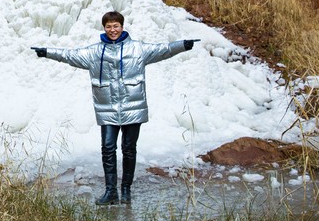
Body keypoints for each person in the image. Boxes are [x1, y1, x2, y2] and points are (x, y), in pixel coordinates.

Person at [32, 11, 198, 205]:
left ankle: (126, 190)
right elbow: (70, 55)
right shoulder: (94, 52)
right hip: (107, 109)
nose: (112, 30)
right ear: (104, 28)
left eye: (116, 26)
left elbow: (164, 49)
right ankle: (111, 191)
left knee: (129, 149)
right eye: (109, 26)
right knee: (108, 148)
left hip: (133, 108)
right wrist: (46, 52)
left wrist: (183, 45)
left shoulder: (138, 49)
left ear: (122, 26)